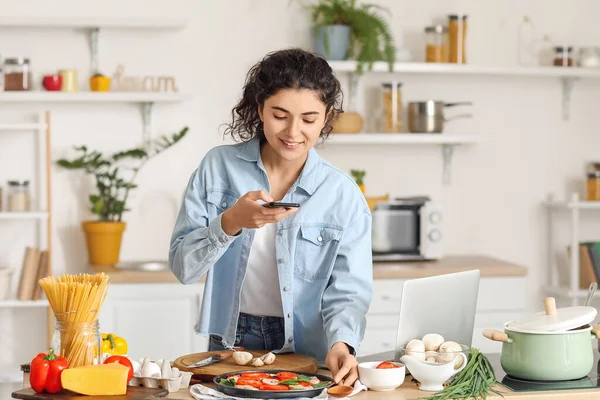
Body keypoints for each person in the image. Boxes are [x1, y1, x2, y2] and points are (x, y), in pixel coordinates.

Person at [168, 48, 372, 386]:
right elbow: (183, 268)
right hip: (230, 342)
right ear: (260, 108)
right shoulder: (217, 168)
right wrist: (230, 222)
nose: (293, 132)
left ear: (326, 117)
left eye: (308, 119)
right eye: (280, 114)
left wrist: (342, 342)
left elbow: (349, 291)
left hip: (309, 347)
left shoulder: (342, 194)